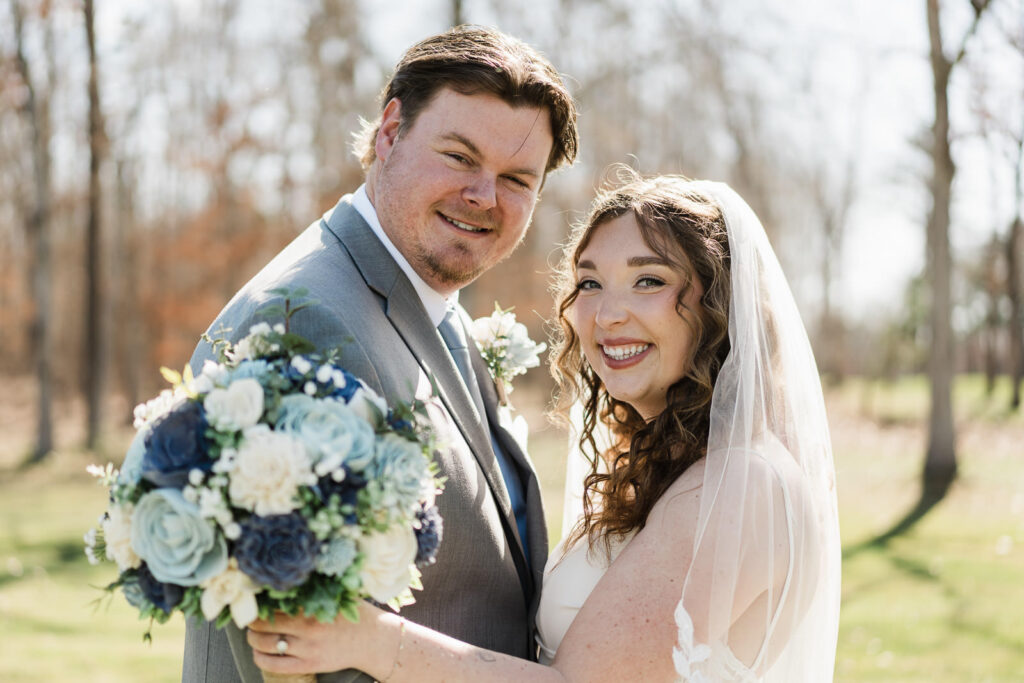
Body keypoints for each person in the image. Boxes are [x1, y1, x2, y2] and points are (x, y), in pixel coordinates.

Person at [247, 173, 842, 682]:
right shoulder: (669, 465)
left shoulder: (743, 485)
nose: (607, 315)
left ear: (720, 305)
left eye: (649, 280)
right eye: (590, 283)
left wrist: (371, 640)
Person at [181, 25, 579, 683]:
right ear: (390, 132)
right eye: (459, 156)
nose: (485, 197)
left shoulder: (432, 307)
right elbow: (293, 651)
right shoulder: (307, 323)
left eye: (516, 179)